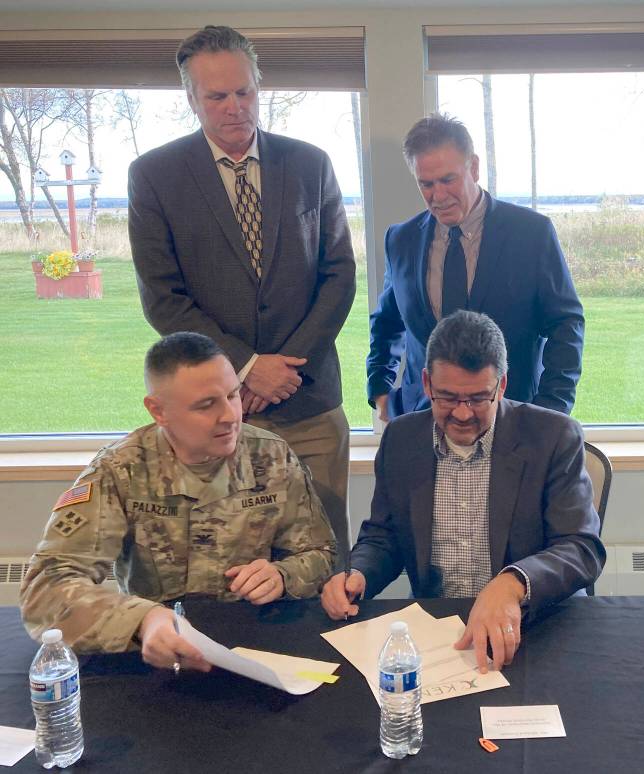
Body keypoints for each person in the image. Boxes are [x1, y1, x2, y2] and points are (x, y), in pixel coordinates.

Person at [127, 25, 356, 557]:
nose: (235, 107)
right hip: (214, 411)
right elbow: (164, 298)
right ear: (191, 98)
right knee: (229, 562)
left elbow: (339, 275)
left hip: (311, 404)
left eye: (245, 91)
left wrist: (285, 370)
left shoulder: (310, 164)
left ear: (260, 84)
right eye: (217, 96)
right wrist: (248, 367)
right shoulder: (154, 175)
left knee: (323, 555)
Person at [20, 332, 337, 669]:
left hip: (255, 646)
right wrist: (143, 620)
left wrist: (282, 575)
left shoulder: (273, 457)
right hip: (154, 650)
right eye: (206, 405)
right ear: (159, 411)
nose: (229, 416)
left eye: (232, 396)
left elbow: (321, 554)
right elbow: (46, 587)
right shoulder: (121, 470)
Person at [324, 310, 605, 670]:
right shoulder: (402, 439)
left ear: (501, 386)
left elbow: (581, 548)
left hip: (535, 627)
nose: (461, 414)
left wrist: (513, 582)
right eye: (447, 398)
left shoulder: (552, 436)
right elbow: (385, 536)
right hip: (440, 630)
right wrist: (359, 574)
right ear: (426, 384)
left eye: (477, 399)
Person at [366, 112, 584, 422]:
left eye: (448, 180)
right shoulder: (401, 239)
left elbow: (567, 324)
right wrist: (380, 389)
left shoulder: (531, 233)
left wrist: (552, 409)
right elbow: (387, 322)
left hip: (513, 419)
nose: (438, 196)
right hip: (423, 418)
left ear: (475, 167)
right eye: (426, 184)